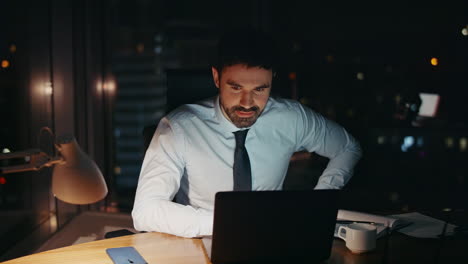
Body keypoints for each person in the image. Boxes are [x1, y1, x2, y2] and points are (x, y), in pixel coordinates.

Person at [132, 29, 362, 238]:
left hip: (273, 241)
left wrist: (319, 202)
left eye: (260, 89)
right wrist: (231, 224)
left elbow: (347, 148)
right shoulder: (178, 128)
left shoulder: (291, 118)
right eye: (236, 87)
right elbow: (146, 211)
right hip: (202, 242)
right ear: (216, 78)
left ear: (272, 79)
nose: (247, 103)